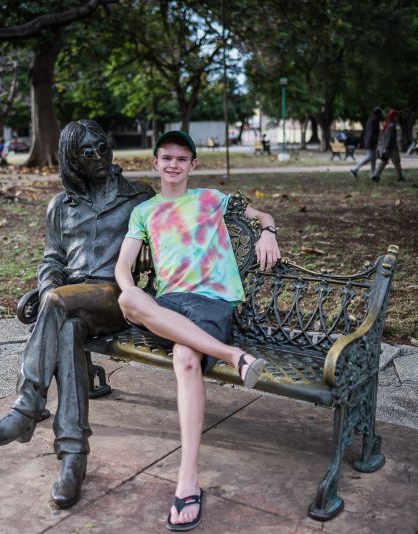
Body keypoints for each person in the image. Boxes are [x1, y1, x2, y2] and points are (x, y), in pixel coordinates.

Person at [0, 119, 153, 509]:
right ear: (72, 159)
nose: (99, 156)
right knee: (66, 328)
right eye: (87, 152)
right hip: (72, 301)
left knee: (55, 303)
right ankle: (73, 457)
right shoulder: (60, 207)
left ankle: (28, 406)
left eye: (103, 146)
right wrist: (51, 285)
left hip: (117, 297)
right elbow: (52, 258)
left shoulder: (137, 197)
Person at [114, 131, 280, 531]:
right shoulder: (144, 211)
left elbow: (262, 216)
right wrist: (131, 288)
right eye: (166, 158)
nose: (173, 165)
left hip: (210, 301)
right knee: (128, 300)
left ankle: (187, 480)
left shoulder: (211, 199)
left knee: (186, 357)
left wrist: (269, 232)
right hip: (167, 303)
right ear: (155, 162)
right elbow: (123, 267)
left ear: (193, 165)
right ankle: (231, 355)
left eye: (181, 159)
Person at [350, 107, 384, 178]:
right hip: (371, 142)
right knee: (369, 157)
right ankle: (355, 169)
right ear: (378, 114)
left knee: (373, 158)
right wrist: (374, 143)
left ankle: (373, 174)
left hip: (368, 141)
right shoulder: (375, 121)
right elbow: (373, 134)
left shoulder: (370, 120)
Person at [372, 109, 405, 182]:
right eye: (396, 116)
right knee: (397, 162)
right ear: (394, 117)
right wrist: (387, 147)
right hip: (391, 147)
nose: (397, 118)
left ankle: (375, 175)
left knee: (383, 161)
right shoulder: (391, 126)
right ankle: (400, 177)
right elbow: (389, 138)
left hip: (387, 147)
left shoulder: (387, 124)